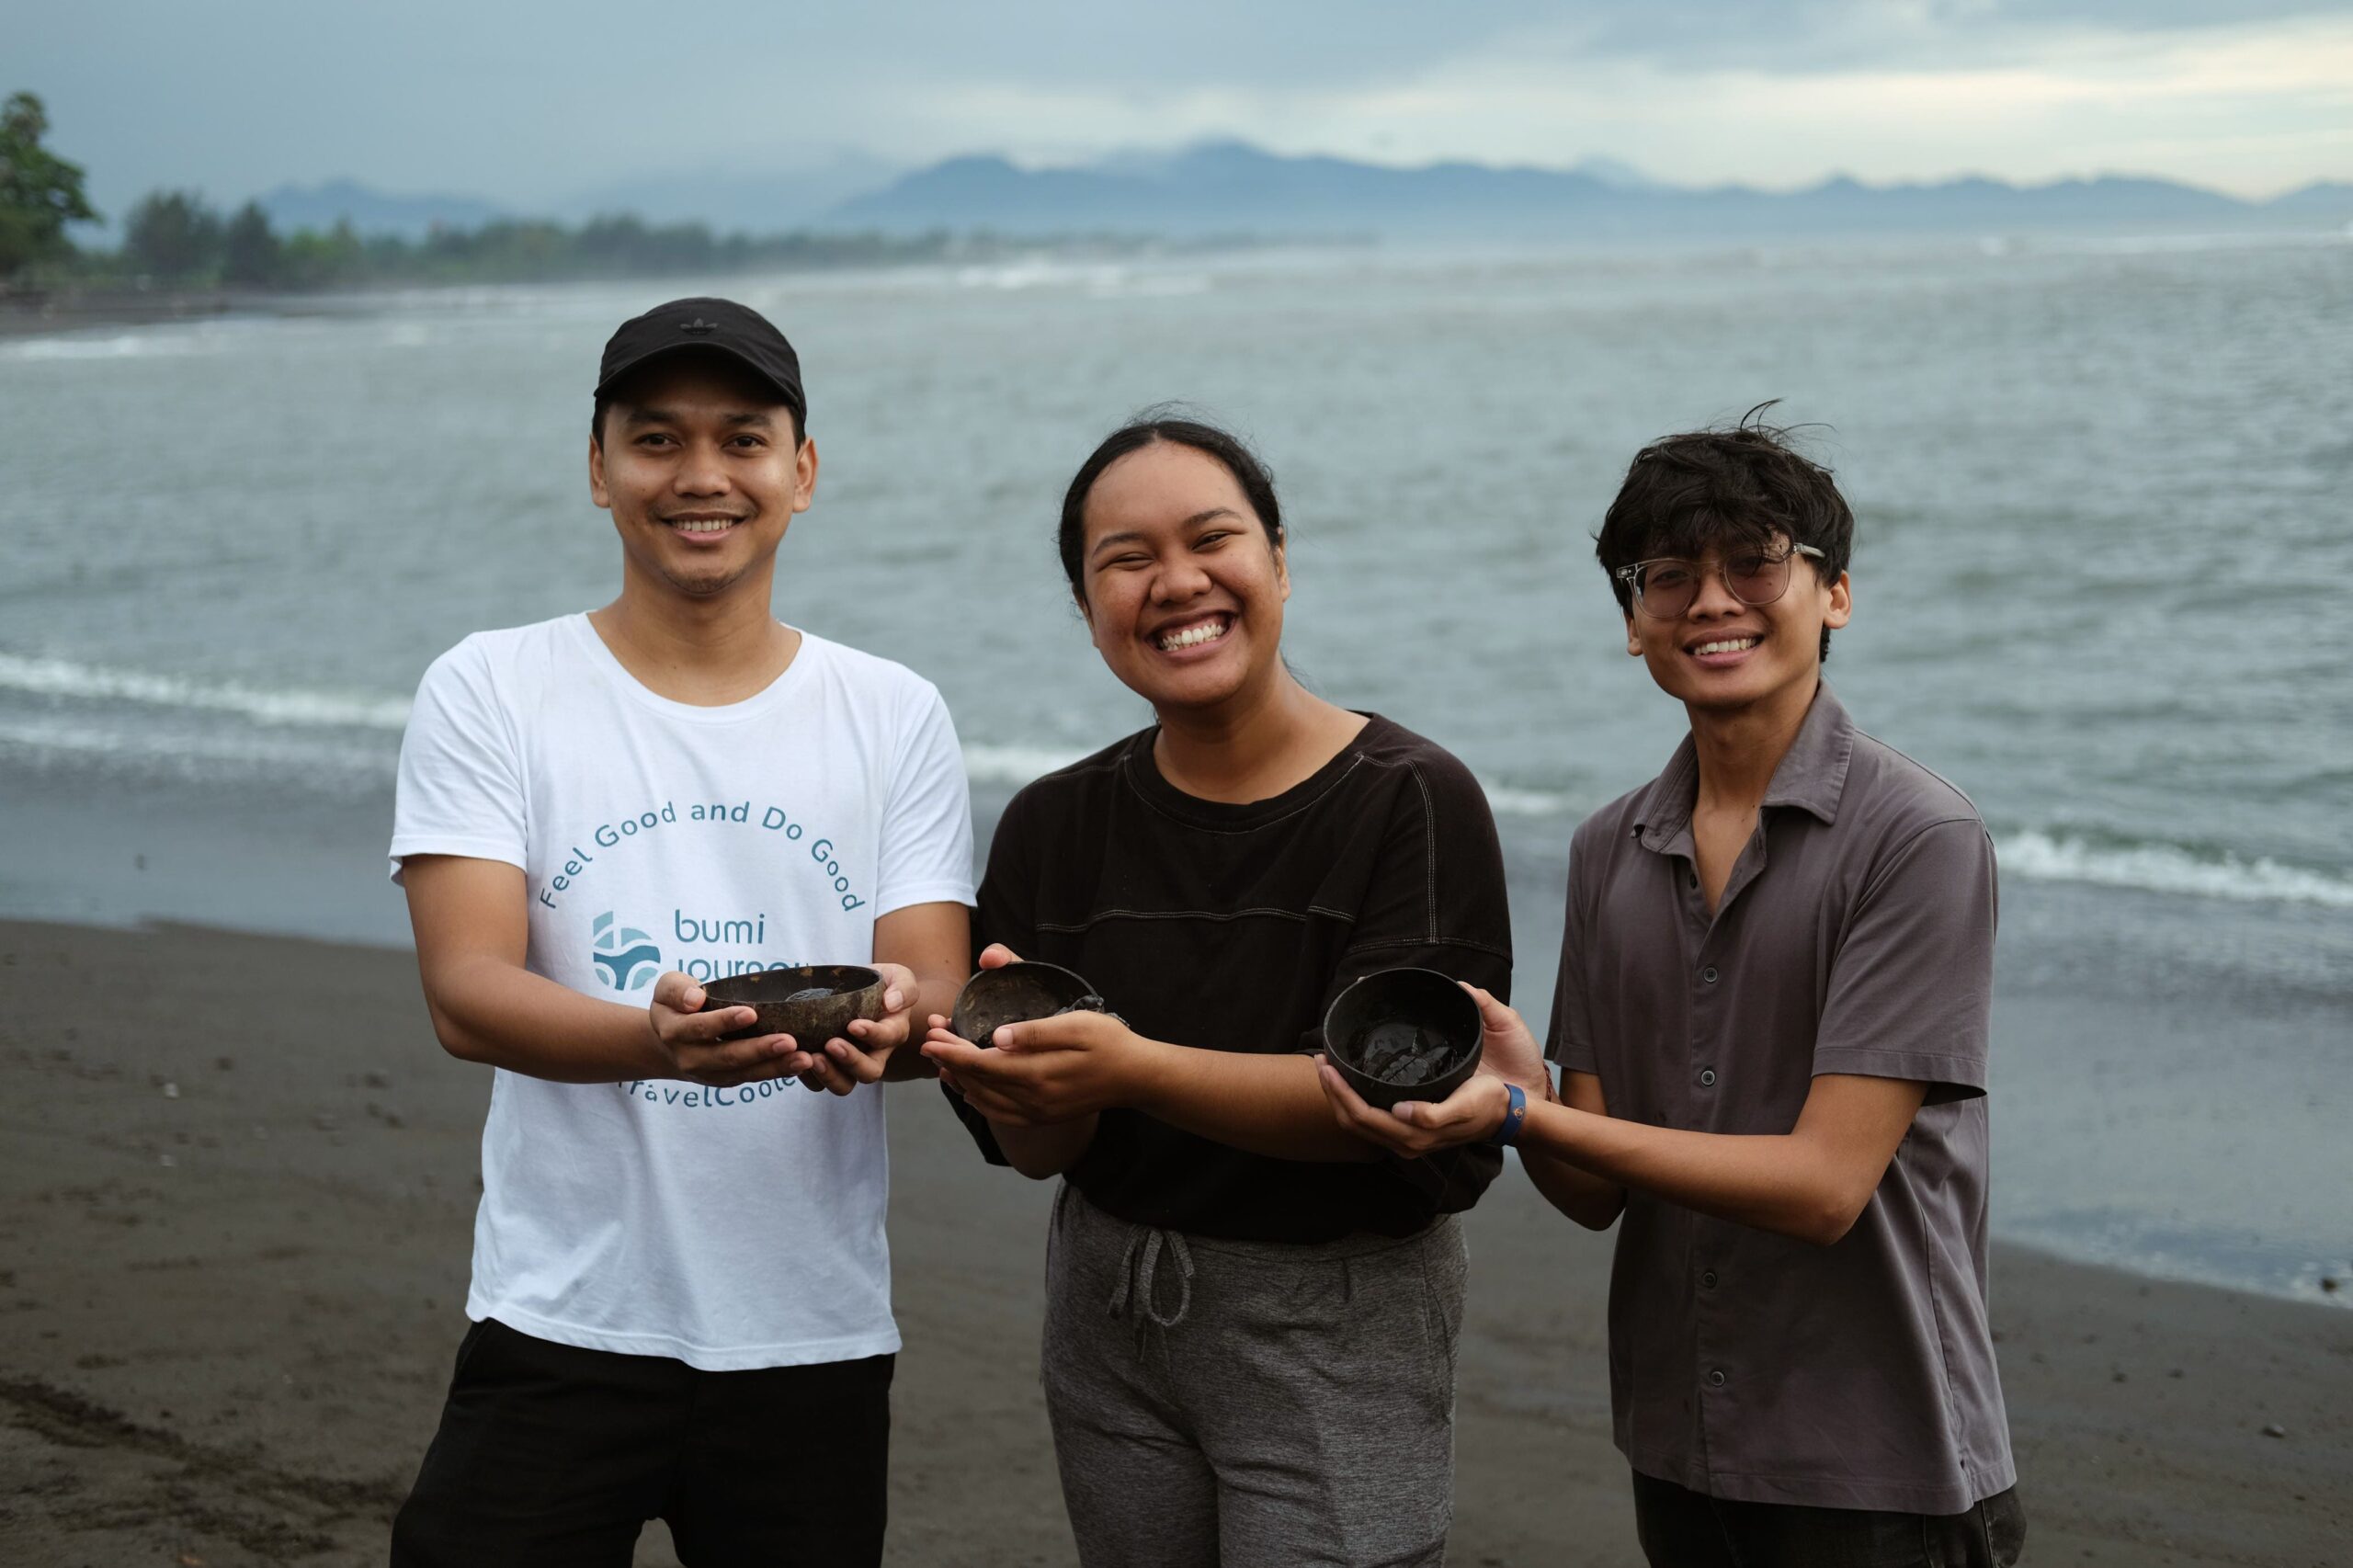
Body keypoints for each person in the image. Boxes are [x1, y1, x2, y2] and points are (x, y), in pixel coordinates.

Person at [1320, 413, 2026, 1567]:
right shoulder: (1610, 847)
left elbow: (1825, 1186)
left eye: (1753, 563)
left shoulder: (1917, 839)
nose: (1710, 601)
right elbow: (1593, 1188)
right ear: (1632, 620)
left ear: (1835, 595)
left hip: (1880, 1457)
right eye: (1668, 576)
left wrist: (1524, 1113)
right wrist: (1520, 1093)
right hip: (1678, 1446)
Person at [385, 296, 974, 1567]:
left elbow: (934, 985)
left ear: (801, 471)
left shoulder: (892, 712)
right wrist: (653, 1041)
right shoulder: (492, 687)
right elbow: (465, 989)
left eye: (742, 439)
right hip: (563, 1316)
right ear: (599, 469)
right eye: (656, 439)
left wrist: (896, 1022)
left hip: (808, 1330)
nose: (701, 475)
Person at [920, 412, 1513, 1567]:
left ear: (1278, 561)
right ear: (1086, 605)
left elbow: (1389, 1103)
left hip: (1336, 1322)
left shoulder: (1410, 800)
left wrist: (1130, 1066)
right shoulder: (1053, 824)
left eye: (1210, 539)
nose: (1176, 581)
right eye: (1126, 558)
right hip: (1109, 1307)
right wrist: (1018, 1080)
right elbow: (1042, 1153)